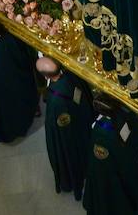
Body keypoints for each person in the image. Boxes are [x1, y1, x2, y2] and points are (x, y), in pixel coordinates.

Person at [38, 56, 93, 201]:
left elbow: (57, 127)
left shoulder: (56, 101)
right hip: (82, 123)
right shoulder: (70, 75)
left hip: (70, 137)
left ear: (45, 76)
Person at [84, 94, 138, 214]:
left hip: (110, 174)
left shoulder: (100, 133)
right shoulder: (123, 114)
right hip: (126, 166)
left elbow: (100, 158)